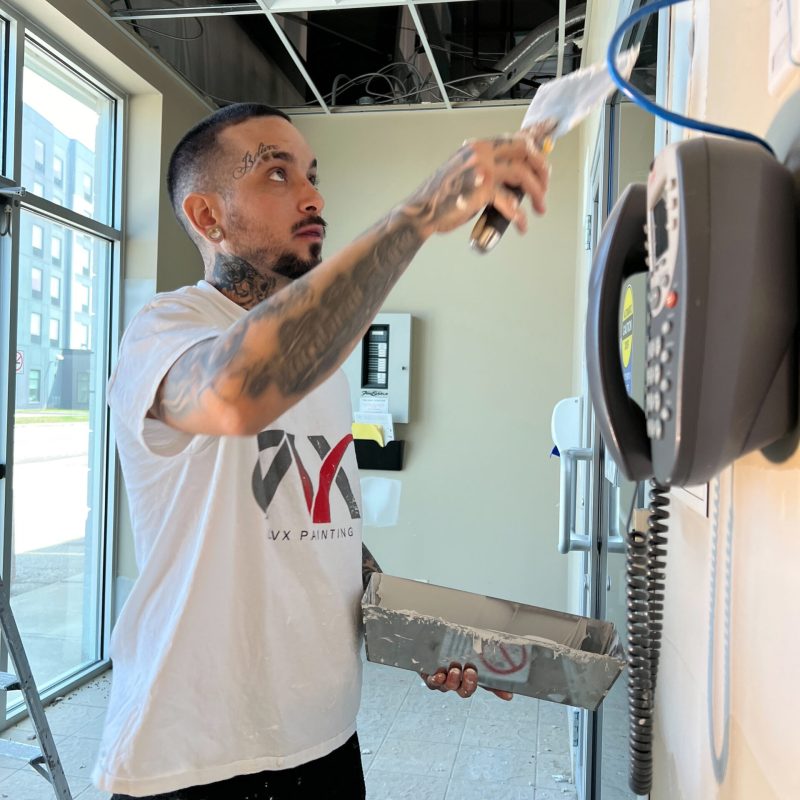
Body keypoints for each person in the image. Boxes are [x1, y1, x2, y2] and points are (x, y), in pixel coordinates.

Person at [93, 103, 550, 800]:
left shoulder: (323, 364)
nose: (312, 195)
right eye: (276, 173)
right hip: (195, 761)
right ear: (208, 217)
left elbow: (318, 536)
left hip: (325, 743)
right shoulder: (165, 330)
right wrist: (418, 214)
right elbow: (233, 394)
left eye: (310, 173)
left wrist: (422, 634)